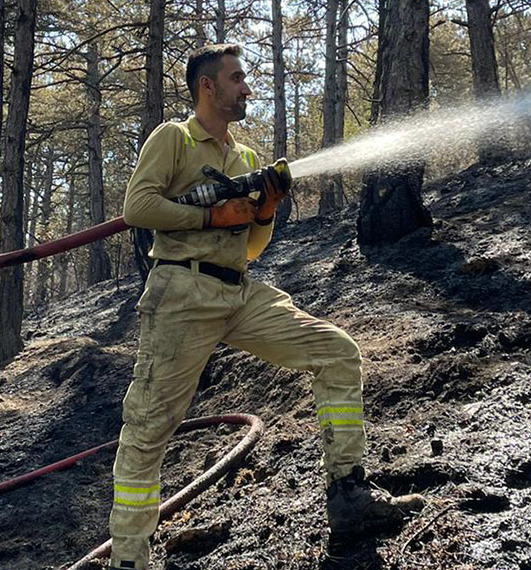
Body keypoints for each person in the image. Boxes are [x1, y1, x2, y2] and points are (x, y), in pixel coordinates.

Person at [109, 44, 424, 569]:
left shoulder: (248, 159)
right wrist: (211, 218)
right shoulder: (175, 138)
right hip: (181, 294)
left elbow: (252, 247)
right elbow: (136, 208)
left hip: (238, 290)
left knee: (337, 352)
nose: (247, 88)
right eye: (236, 79)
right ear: (207, 86)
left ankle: (349, 497)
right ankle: (129, 560)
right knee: (148, 428)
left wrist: (266, 209)